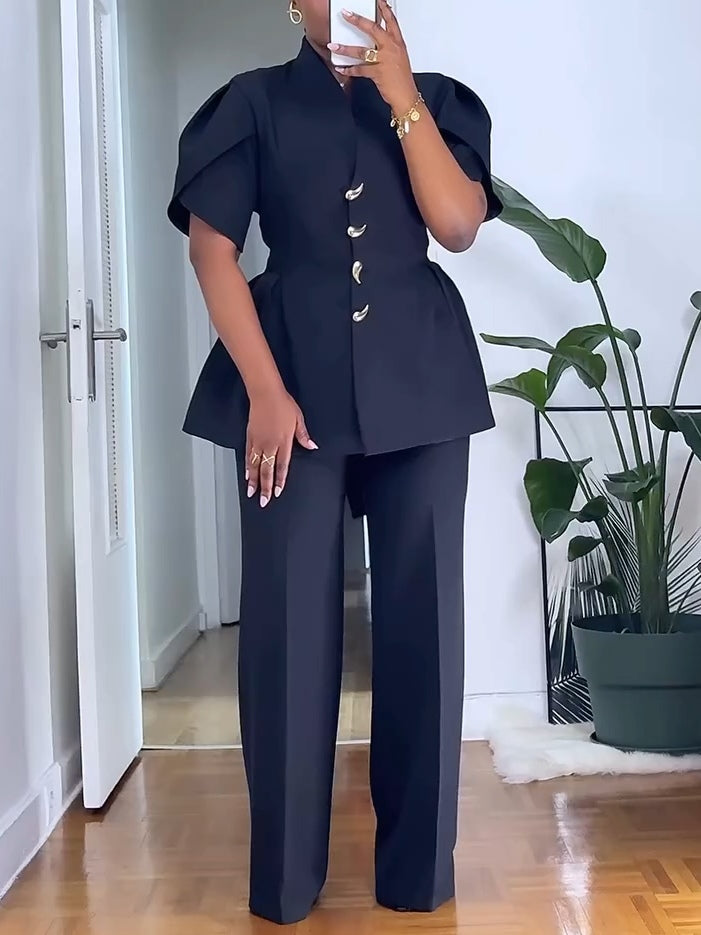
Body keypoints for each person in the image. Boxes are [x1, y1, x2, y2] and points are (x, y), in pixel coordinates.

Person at [168, 0, 501, 925]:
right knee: (284, 632)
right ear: (292, 4)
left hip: (422, 390)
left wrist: (400, 94)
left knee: (425, 628)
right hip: (290, 391)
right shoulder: (251, 103)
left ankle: (416, 875)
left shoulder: (439, 101)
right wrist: (264, 392)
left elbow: (457, 225)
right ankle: (283, 883)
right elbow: (212, 250)